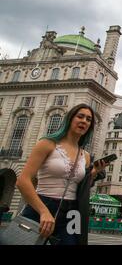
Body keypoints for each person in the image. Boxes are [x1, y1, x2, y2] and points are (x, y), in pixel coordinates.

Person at [16, 103, 108, 245]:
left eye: (89, 119)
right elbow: (23, 181)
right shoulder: (47, 143)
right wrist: (43, 211)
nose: (84, 121)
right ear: (70, 119)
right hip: (41, 206)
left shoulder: (86, 156)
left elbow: (79, 188)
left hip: (72, 213)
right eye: (80, 116)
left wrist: (94, 174)